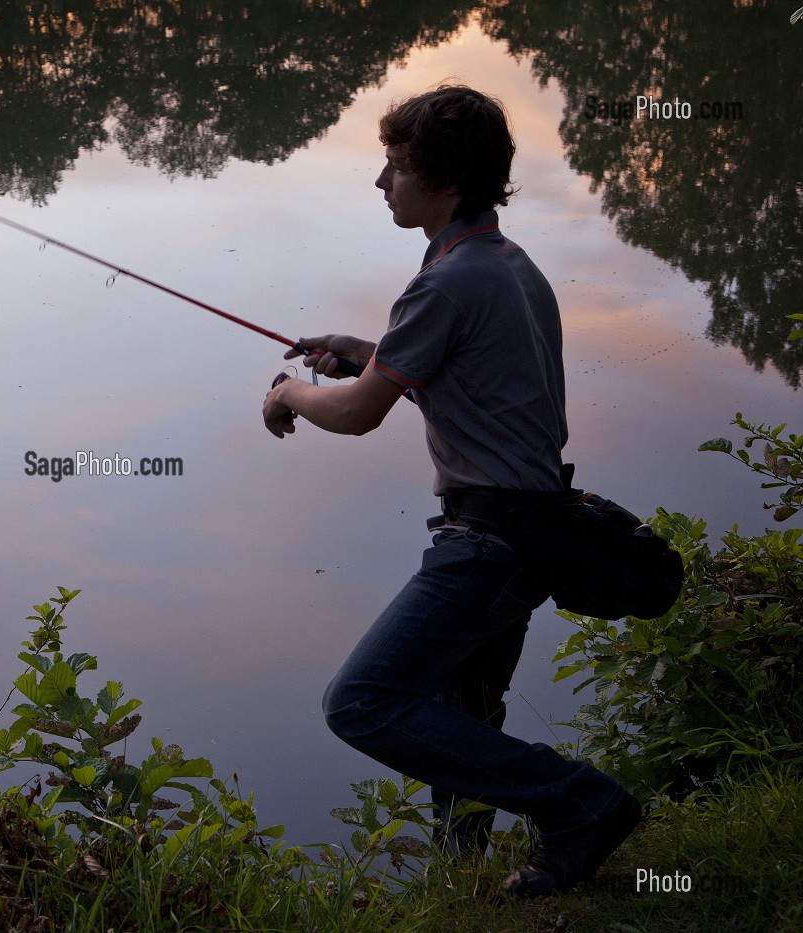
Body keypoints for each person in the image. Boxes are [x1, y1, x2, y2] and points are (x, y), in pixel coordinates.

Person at [261, 85, 639, 896]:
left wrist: (290, 393)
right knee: (465, 710)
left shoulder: (445, 283)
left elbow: (360, 416)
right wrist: (363, 346)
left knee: (362, 700)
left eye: (395, 166)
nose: (380, 182)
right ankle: (465, 874)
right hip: (537, 526)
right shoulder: (505, 266)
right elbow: (455, 369)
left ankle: (583, 801)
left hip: (488, 541)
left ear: (445, 180)